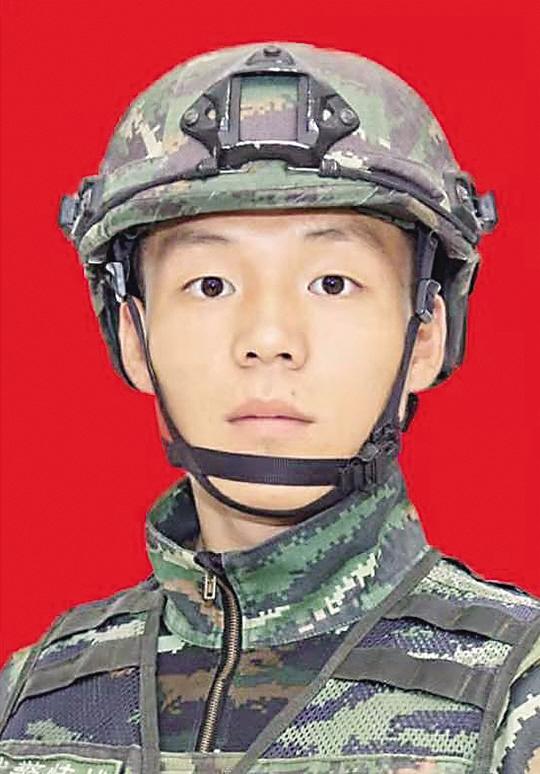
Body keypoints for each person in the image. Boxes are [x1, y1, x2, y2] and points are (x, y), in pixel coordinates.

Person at [0, 41, 538, 774]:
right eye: (211, 285)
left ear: (425, 335)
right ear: (133, 336)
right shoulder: (29, 701)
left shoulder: (518, 693)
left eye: (332, 283)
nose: (269, 339)